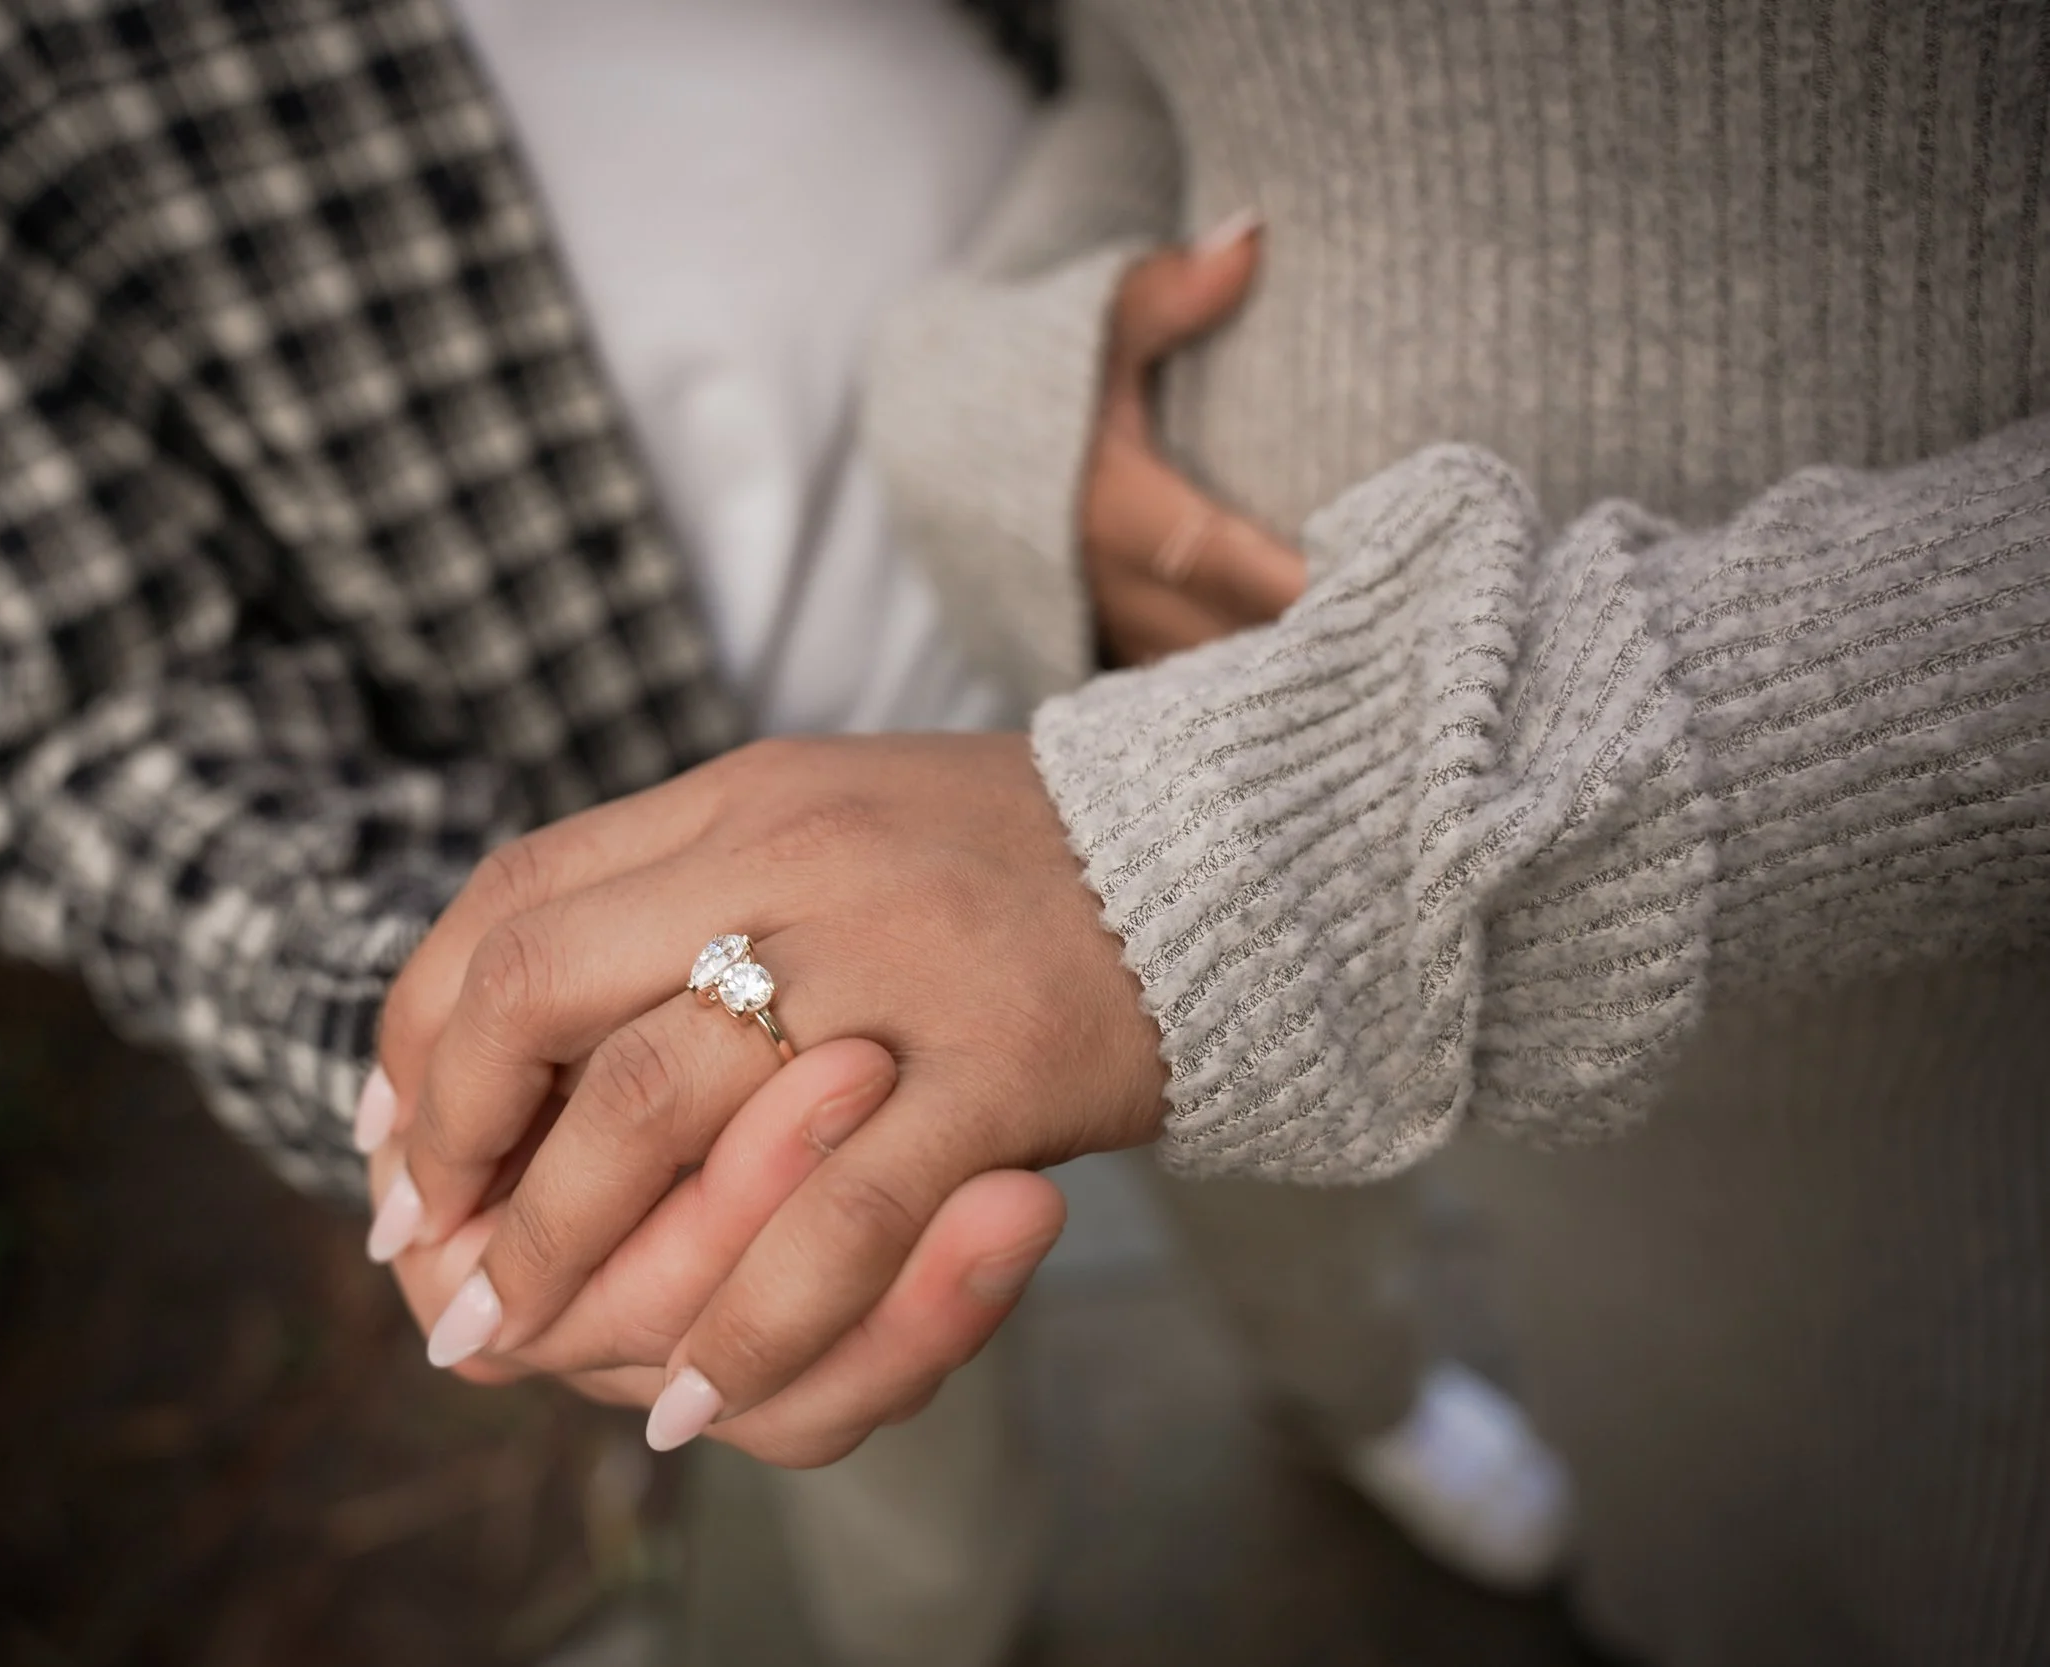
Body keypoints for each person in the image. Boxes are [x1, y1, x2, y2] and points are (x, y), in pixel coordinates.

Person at [0, 3, 1557, 1664]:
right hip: (651, 928)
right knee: (890, 1488)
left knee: (1312, 1180)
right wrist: (474, 1042)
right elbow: (82, 709)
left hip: (1151, 640)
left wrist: (1071, 331)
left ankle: (1362, 1390)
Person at [374, 4, 2050, 1665]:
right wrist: (1004, 399)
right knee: (1675, 1477)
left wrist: (1278, 827)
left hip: (1923, 1028)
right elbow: (1144, 69)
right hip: (1457, 950)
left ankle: (1368, 1407)